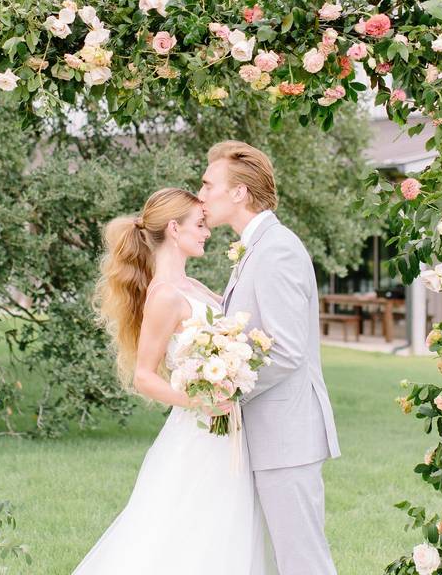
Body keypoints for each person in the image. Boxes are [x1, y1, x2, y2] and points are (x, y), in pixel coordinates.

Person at [74, 187, 275, 574]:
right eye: (200, 225)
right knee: (186, 531)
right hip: (199, 431)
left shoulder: (194, 287)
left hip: (227, 428)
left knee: (222, 531)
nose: (207, 232)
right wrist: (201, 402)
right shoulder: (164, 295)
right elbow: (144, 377)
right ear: (173, 228)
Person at [198, 140, 341, 575]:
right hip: (268, 435)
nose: (200, 195)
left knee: (301, 561)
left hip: (286, 435)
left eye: (208, 185)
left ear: (239, 192)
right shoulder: (253, 248)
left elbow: (286, 349)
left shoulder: (276, 249)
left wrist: (226, 388)